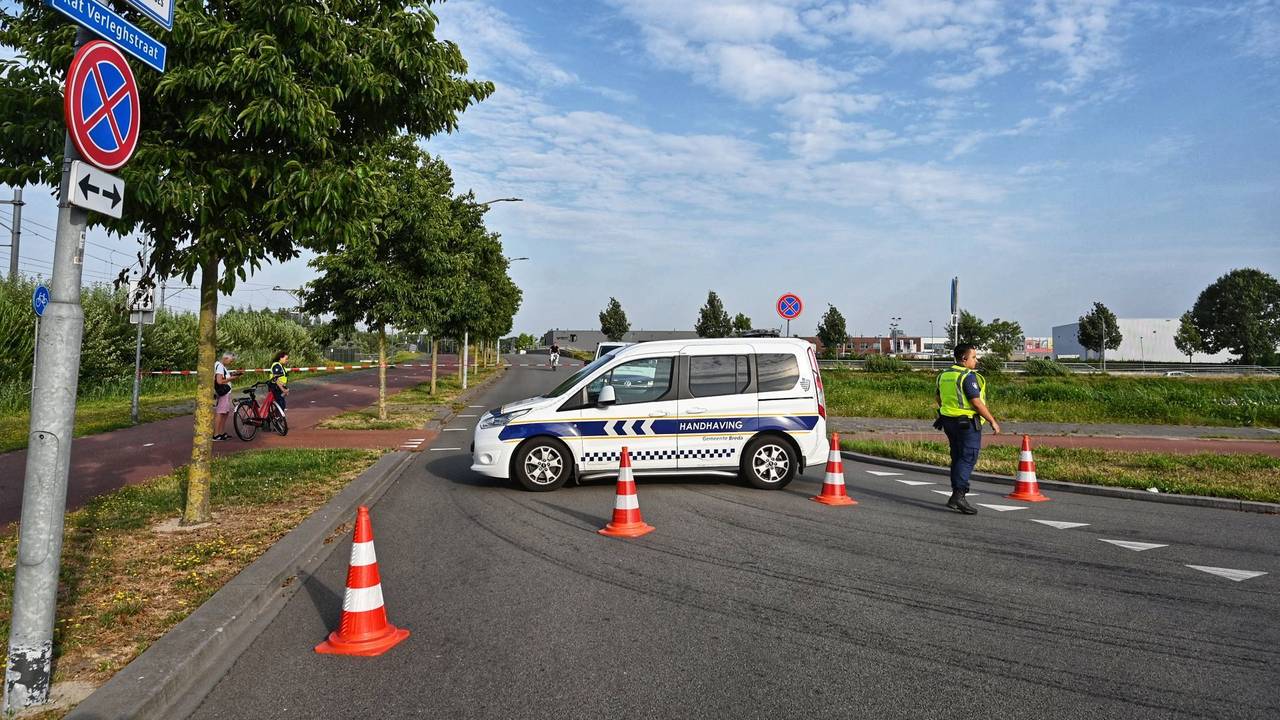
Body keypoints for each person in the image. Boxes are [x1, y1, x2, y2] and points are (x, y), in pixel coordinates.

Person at [935, 344, 1001, 514]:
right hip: (966, 424)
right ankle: (959, 495)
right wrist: (992, 420)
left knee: (957, 457)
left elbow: (938, 397)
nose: (976, 360)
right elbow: (977, 403)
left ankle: (956, 495)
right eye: (974, 357)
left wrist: (948, 411)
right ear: (964, 359)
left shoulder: (944, 375)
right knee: (968, 457)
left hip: (948, 421)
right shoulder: (968, 376)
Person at [213, 352, 236, 441]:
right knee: (220, 412)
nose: (231, 363)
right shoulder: (219, 366)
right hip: (223, 392)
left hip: (225, 392)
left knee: (225, 413)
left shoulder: (220, 366)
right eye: (231, 361)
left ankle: (221, 432)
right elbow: (219, 381)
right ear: (225, 358)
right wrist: (232, 378)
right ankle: (216, 434)